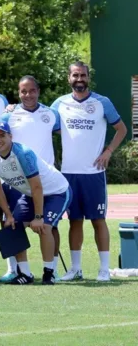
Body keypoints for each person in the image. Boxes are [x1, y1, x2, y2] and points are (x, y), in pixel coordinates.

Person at [52, 62, 127, 282]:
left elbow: (121, 129)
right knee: (74, 220)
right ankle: (76, 269)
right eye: (75, 75)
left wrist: (108, 151)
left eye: (83, 75)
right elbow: (43, 122)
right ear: (69, 78)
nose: (79, 79)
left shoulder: (102, 102)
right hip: (68, 173)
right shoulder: (59, 104)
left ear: (88, 77)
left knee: (98, 220)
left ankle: (104, 269)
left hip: (94, 173)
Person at [0, 120, 72, 284]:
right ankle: (25, 274)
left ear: (10, 136)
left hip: (56, 191)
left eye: (2, 135)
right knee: (11, 226)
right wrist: (9, 215)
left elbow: (37, 187)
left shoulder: (23, 153)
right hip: (30, 193)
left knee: (45, 226)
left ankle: (49, 273)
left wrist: (38, 216)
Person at [0, 76, 58, 166]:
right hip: (20, 172)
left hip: (47, 173)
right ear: (19, 93)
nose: (28, 95)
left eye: (32, 91)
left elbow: (68, 134)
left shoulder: (52, 113)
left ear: (38, 92)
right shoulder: (8, 115)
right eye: (24, 91)